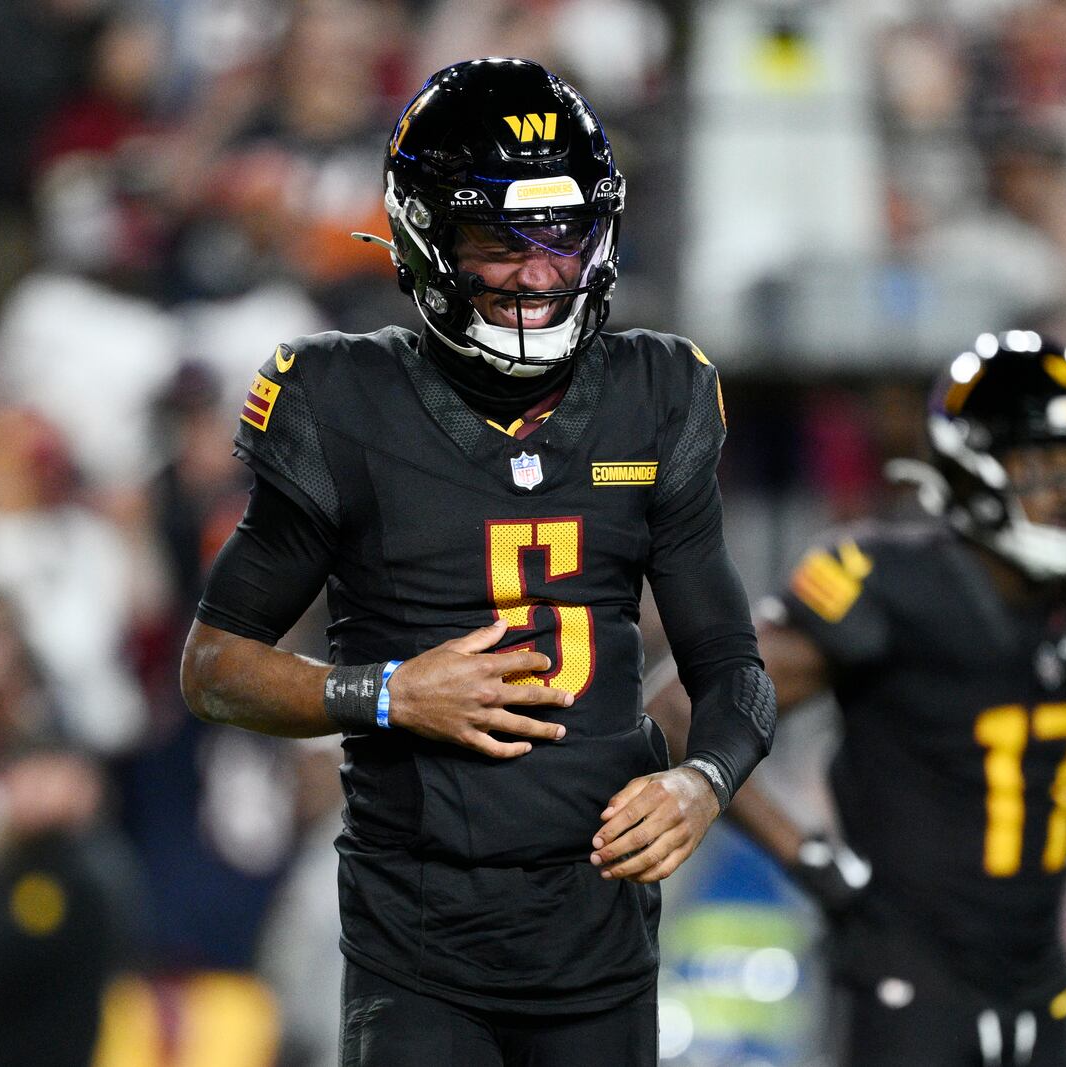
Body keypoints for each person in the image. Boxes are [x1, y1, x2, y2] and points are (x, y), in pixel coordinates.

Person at [179, 58, 775, 1067]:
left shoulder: (658, 392)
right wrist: (385, 692)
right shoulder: (339, 397)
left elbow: (735, 673)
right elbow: (212, 666)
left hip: (599, 938)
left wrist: (703, 782)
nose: (541, 272)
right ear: (424, 235)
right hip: (419, 943)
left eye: (566, 237)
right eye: (503, 242)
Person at [649, 331, 1066, 1066]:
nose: (1063, 491)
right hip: (905, 977)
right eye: (1039, 462)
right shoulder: (892, 581)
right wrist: (808, 856)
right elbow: (685, 709)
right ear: (973, 465)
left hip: (1037, 975)